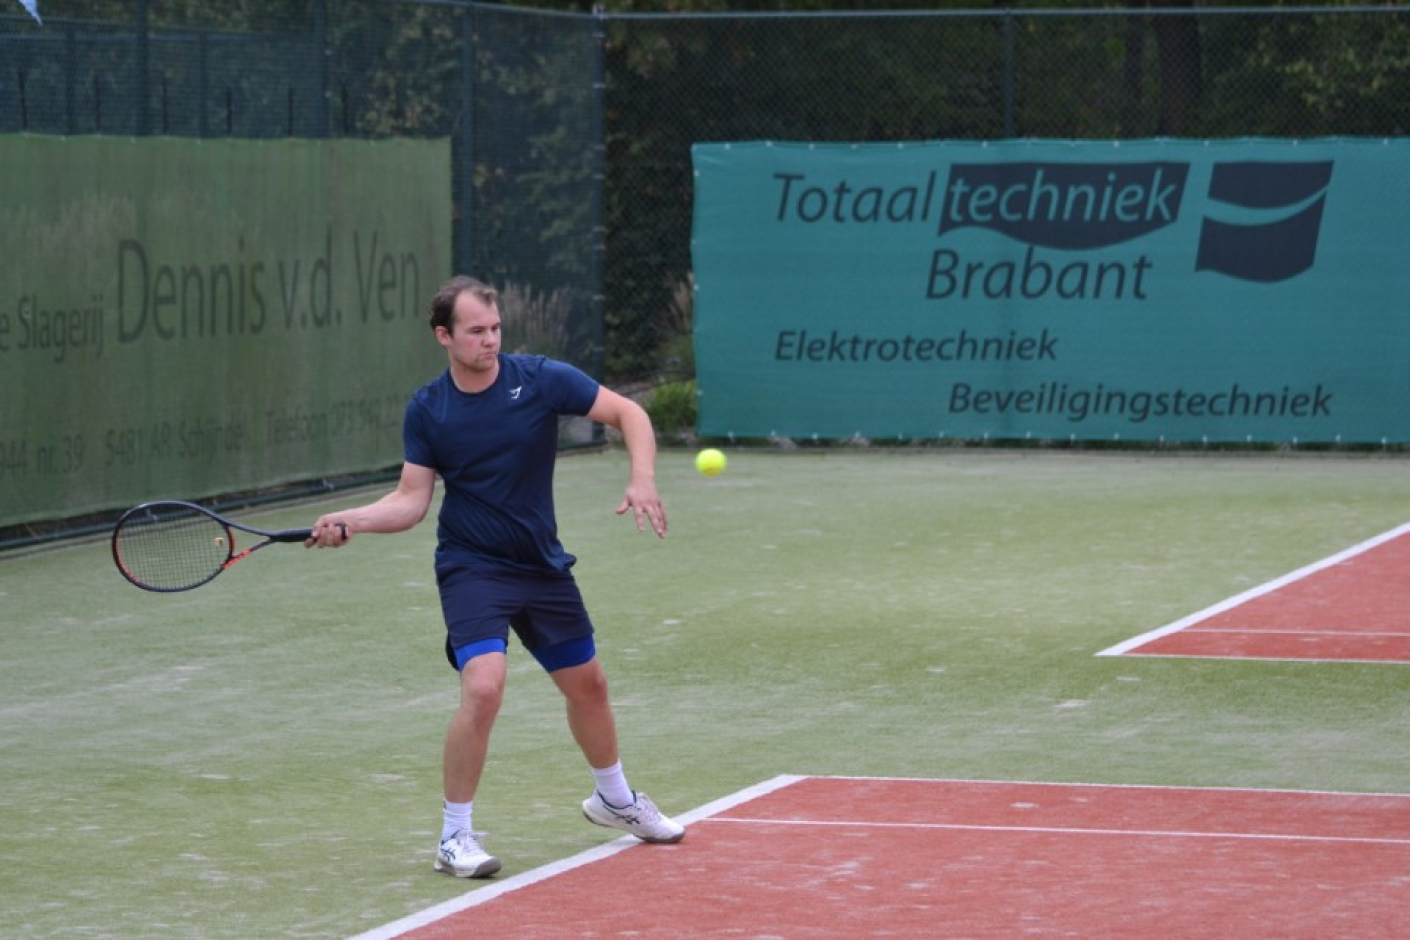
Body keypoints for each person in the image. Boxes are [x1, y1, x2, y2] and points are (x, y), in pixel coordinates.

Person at [305, 275, 684, 878]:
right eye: (476, 331)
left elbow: (628, 412)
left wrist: (643, 478)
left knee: (589, 685)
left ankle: (615, 800)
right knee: (483, 686)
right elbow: (410, 500)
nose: (490, 340)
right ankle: (454, 837)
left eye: (496, 328)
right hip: (472, 566)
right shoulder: (429, 409)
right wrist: (353, 519)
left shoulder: (538, 379)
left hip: (541, 563)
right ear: (444, 336)